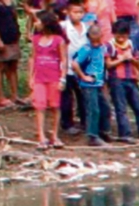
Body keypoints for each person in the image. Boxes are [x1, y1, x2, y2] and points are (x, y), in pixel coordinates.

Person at [106, 17, 139, 141]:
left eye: (124, 36)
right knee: (121, 108)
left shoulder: (131, 44)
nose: (121, 38)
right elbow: (108, 64)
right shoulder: (110, 46)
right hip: (117, 79)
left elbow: (138, 61)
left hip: (132, 78)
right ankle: (125, 134)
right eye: (119, 35)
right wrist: (123, 58)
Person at [30, 9, 66, 146]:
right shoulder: (36, 39)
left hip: (54, 78)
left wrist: (62, 78)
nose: (36, 23)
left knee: (55, 106)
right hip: (39, 78)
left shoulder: (59, 40)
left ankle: (55, 135)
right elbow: (33, 58)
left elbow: (63, 60)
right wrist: (31, 77)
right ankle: (41, 136)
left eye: (38, 20)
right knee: (40, 106)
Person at [72, 22, 111, 144]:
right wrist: (83, 76)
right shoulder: (86, 49)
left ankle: (103, 131)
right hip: (89, 85)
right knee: (93, 109)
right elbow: (75, 63)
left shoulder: (102, 48)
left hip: (98, 83)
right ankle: (92, 135)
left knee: (105, 108)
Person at [60, 0, 87, 134]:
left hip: (82, 67)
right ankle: (67, 123)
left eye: (80, 12)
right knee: (67, 97)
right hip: (66, 67)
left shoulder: (86, 27)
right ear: (68, 12)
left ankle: (85, 121)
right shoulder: (62, 26)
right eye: (75, 12)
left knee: (82, 95)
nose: (78, 15)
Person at [0, 0, 18, 104]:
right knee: (1, 66)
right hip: (2, 36)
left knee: (13, 66)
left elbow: (14, 18)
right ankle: (0, 96)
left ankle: (15, 95)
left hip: (12, 35)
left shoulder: (11, 2)